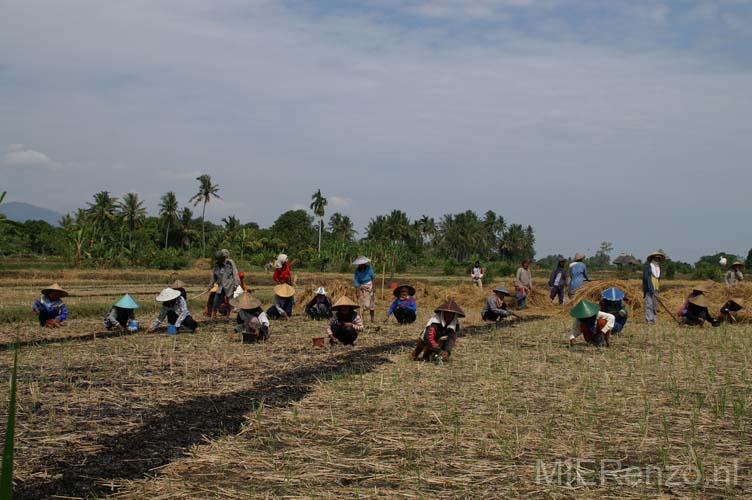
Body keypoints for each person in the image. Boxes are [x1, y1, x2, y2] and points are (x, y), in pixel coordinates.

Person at [208, 249, 240, 320]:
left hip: (229, 285)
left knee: (229, 300)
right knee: (216, 299)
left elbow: (235, 273)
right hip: (220, 285)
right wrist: (210, 285)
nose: (217, 260)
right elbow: (213, 276)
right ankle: (214, 315)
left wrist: (235, 284)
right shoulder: (216, 266)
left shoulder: (230, 263)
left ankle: (228, 315)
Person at [642, 250, 665, 324]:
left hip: (656, 288)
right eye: (656, 258)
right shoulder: (648, 266)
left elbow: (658, 279)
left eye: (658, 258)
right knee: (649, 304)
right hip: (649, 289)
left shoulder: (658, 267)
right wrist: (650, 288)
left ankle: (654, 320)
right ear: (653, 258)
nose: (657, 259)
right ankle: (649, 320)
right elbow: (646, 278)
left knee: (654, 305)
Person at [353, 255, 376, 322]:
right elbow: (356, 281)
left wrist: (374, 287)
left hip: (370, 286)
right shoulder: (357, 271)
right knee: (361, 304)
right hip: (362, 287)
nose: (361, 265)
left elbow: (373, 278)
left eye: (363, 264)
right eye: (360, 264)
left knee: (371, 304)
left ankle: (372, 318)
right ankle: (361, 319)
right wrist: (357, 291)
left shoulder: (369, 268)